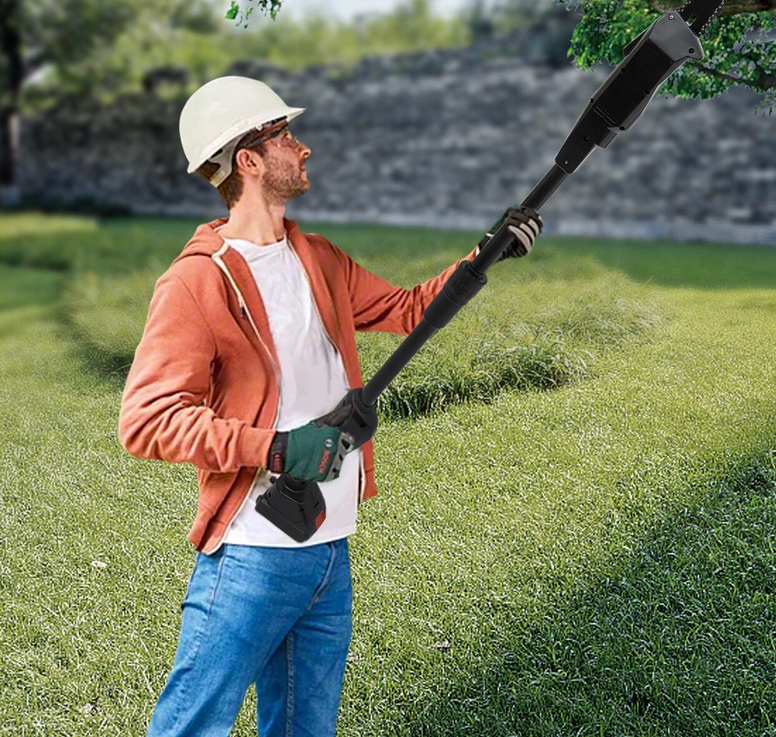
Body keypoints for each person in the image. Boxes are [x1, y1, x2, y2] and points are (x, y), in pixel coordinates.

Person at [120, 76, 542, 736]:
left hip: (326, 545)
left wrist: (484, 256)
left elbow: (409, 310)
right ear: (249, 160)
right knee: (190, 726)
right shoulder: (198, 281)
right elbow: (147, 420)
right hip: (254, 552)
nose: (304, 147)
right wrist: (278, 448)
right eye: (285, 135)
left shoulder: (316, 257)